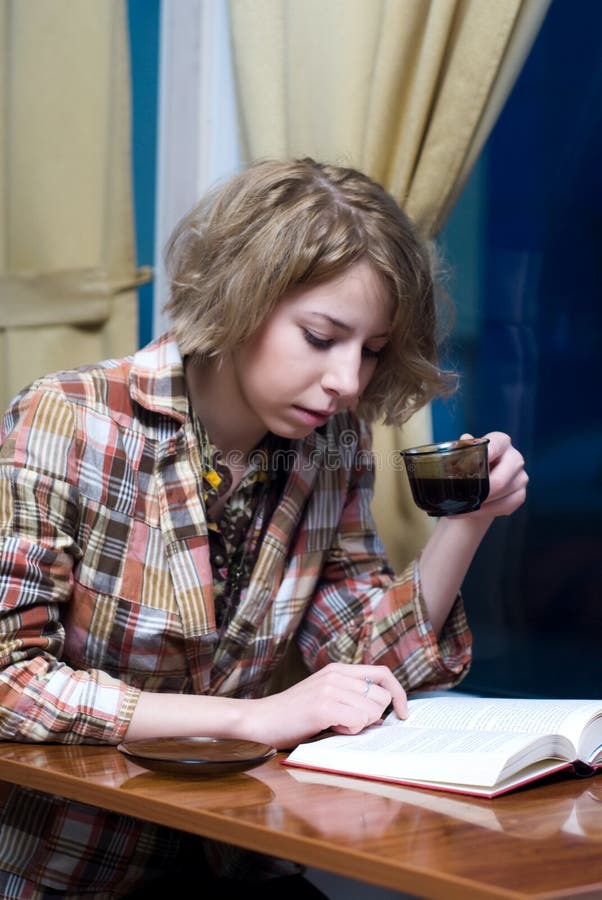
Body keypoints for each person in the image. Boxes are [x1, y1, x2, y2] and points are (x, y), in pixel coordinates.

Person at [0, 158, 528, 898]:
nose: (348, 380)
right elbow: (10, 683)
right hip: (73, 866)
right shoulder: (70, 419)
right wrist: (254, 718)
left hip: (240, 854)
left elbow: (364, 667)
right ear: (242, 298)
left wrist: (466, 524)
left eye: (371, 350)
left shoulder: (334, 445)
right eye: (321, 337)